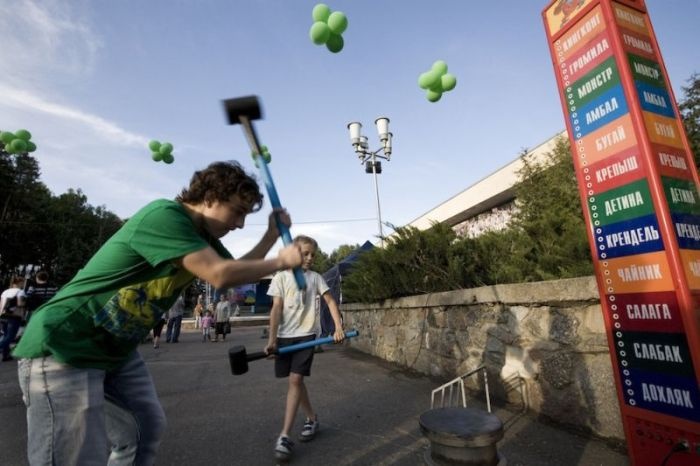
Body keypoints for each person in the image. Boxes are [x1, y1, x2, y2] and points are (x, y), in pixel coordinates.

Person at [12, 161, 303, 465]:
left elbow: (240, 272)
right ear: (211, 196)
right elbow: (219, 274)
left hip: (115, 349)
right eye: (238, 212)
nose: (240, 224)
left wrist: (271, 236)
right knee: (73, 457)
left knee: (143, 430)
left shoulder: (203, 239)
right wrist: (280, 262)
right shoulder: (165, 216)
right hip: (66, 341)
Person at [265, 235, 345, 462]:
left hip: (306, 337)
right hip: (284, 338)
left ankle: (285, 436)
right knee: (296, 382)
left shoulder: (316, 278)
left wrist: (338, 328)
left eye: (313, 254)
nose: (310, 258)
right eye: (305, 253)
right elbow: (276, 309)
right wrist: (272, 341)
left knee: (295, 381)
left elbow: (330, 301)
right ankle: (312, 418)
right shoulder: (280, 277)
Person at [0, 276, 26, 362]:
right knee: (10, 336)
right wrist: (26, 302)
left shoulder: (5, 291)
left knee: (5, 336)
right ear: (20, 283)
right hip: (14, 316)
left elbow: (1, 305)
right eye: (22, 282)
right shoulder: (20, 292)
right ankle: (4, 352)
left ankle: (5, 355)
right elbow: (20, 304)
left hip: (3, 316)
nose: (23, 284)